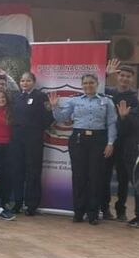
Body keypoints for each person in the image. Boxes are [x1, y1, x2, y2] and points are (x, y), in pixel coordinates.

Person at [50, 74, 117, 225]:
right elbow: (61, 118)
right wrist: (54, 106)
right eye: (85, 83)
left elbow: (112, 123)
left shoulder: (106, 101)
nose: (88, 85)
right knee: (79, 176)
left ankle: (93, 213)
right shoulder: (75, 100)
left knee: (95, 177)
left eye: (91, 83)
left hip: (99, 140)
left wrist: (110, 143)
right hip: (79, 139)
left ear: (97, 83)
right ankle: (78, 212)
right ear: (82, 85)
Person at [10, 72, 53, 215]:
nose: (25, 83)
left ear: (34, 82)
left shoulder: (41, 97)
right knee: (17, 171)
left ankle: (31, 205)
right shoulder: (16, 97)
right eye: (22, 80)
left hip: (33, 139)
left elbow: (48, 117)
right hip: (17, 139)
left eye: (28, 80)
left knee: (33, 172)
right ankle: (17, 203)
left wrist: (36, 128)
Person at [103, 61, 138, 220]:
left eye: (128, 76)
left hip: (126, 143)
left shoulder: (135, 97)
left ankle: (121, 210)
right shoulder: (107, 91)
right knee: (104, 174)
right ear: (117, 76)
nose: (124, 78)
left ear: (132, 78)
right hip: (108, 141)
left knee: (123, 178)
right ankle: (104, 209)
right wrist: (105, 75)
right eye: (122, 75)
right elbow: (92, 88)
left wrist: (124, 118)